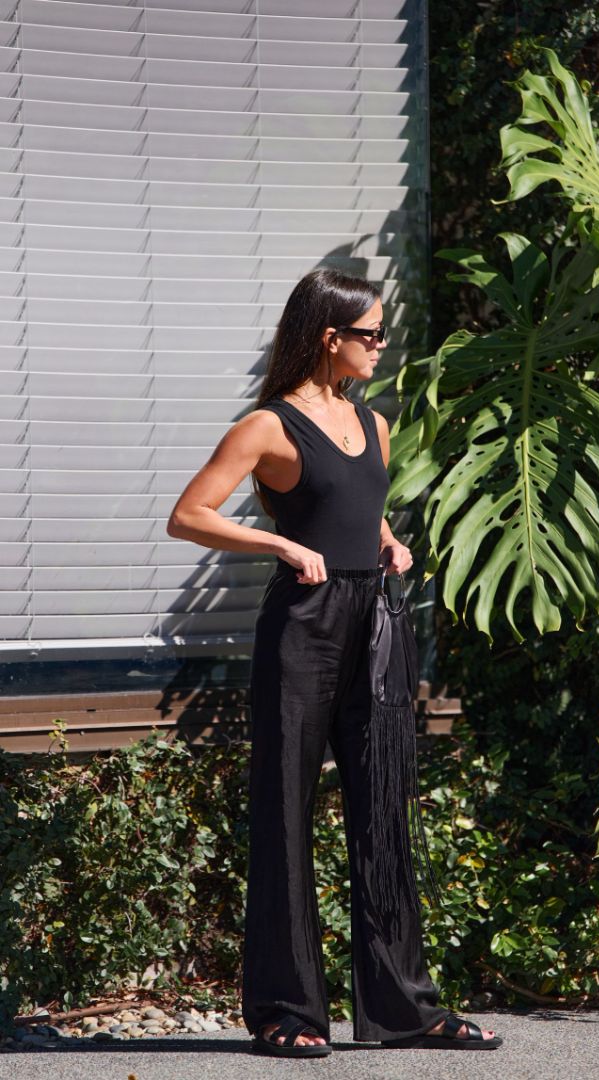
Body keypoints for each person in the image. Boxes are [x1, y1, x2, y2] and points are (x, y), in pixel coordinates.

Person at [166, 268, 502, 1056]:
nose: (381, 346)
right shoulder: (267, 427)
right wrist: (281, 544)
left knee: (382, 808)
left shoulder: (372, 423)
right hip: (303, 629)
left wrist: (387, 541)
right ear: (329, 337)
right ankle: (286, 1011)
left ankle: (406, 1009)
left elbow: (360, 509)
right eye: (370, 334)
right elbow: (189, 515)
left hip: (374, 622)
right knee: (284, 810)